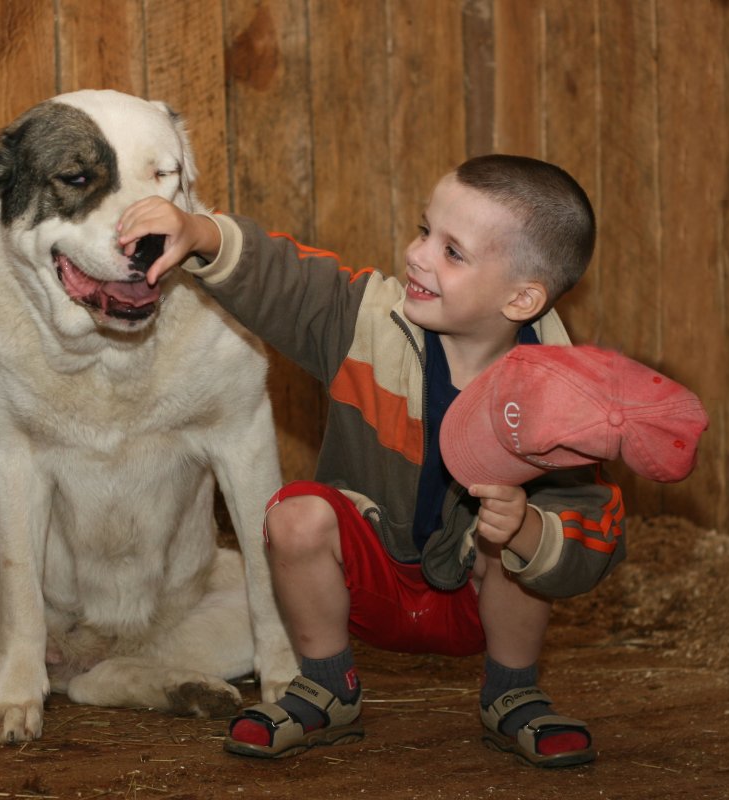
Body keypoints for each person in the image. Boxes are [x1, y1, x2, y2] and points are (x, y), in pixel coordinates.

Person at [117, 155, 622, 768]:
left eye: (452, 252)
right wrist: (200, 233)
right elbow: (288, 280)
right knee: (294, 515)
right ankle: (327, 688)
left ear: (522, 297)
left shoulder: (560, 401)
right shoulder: (367, 323)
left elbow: (596, 533)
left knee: (517, 539)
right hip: (372, 585)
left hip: (477, 596)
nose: (418, 255)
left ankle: (512, 693)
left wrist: (529, 528)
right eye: (422, 230)